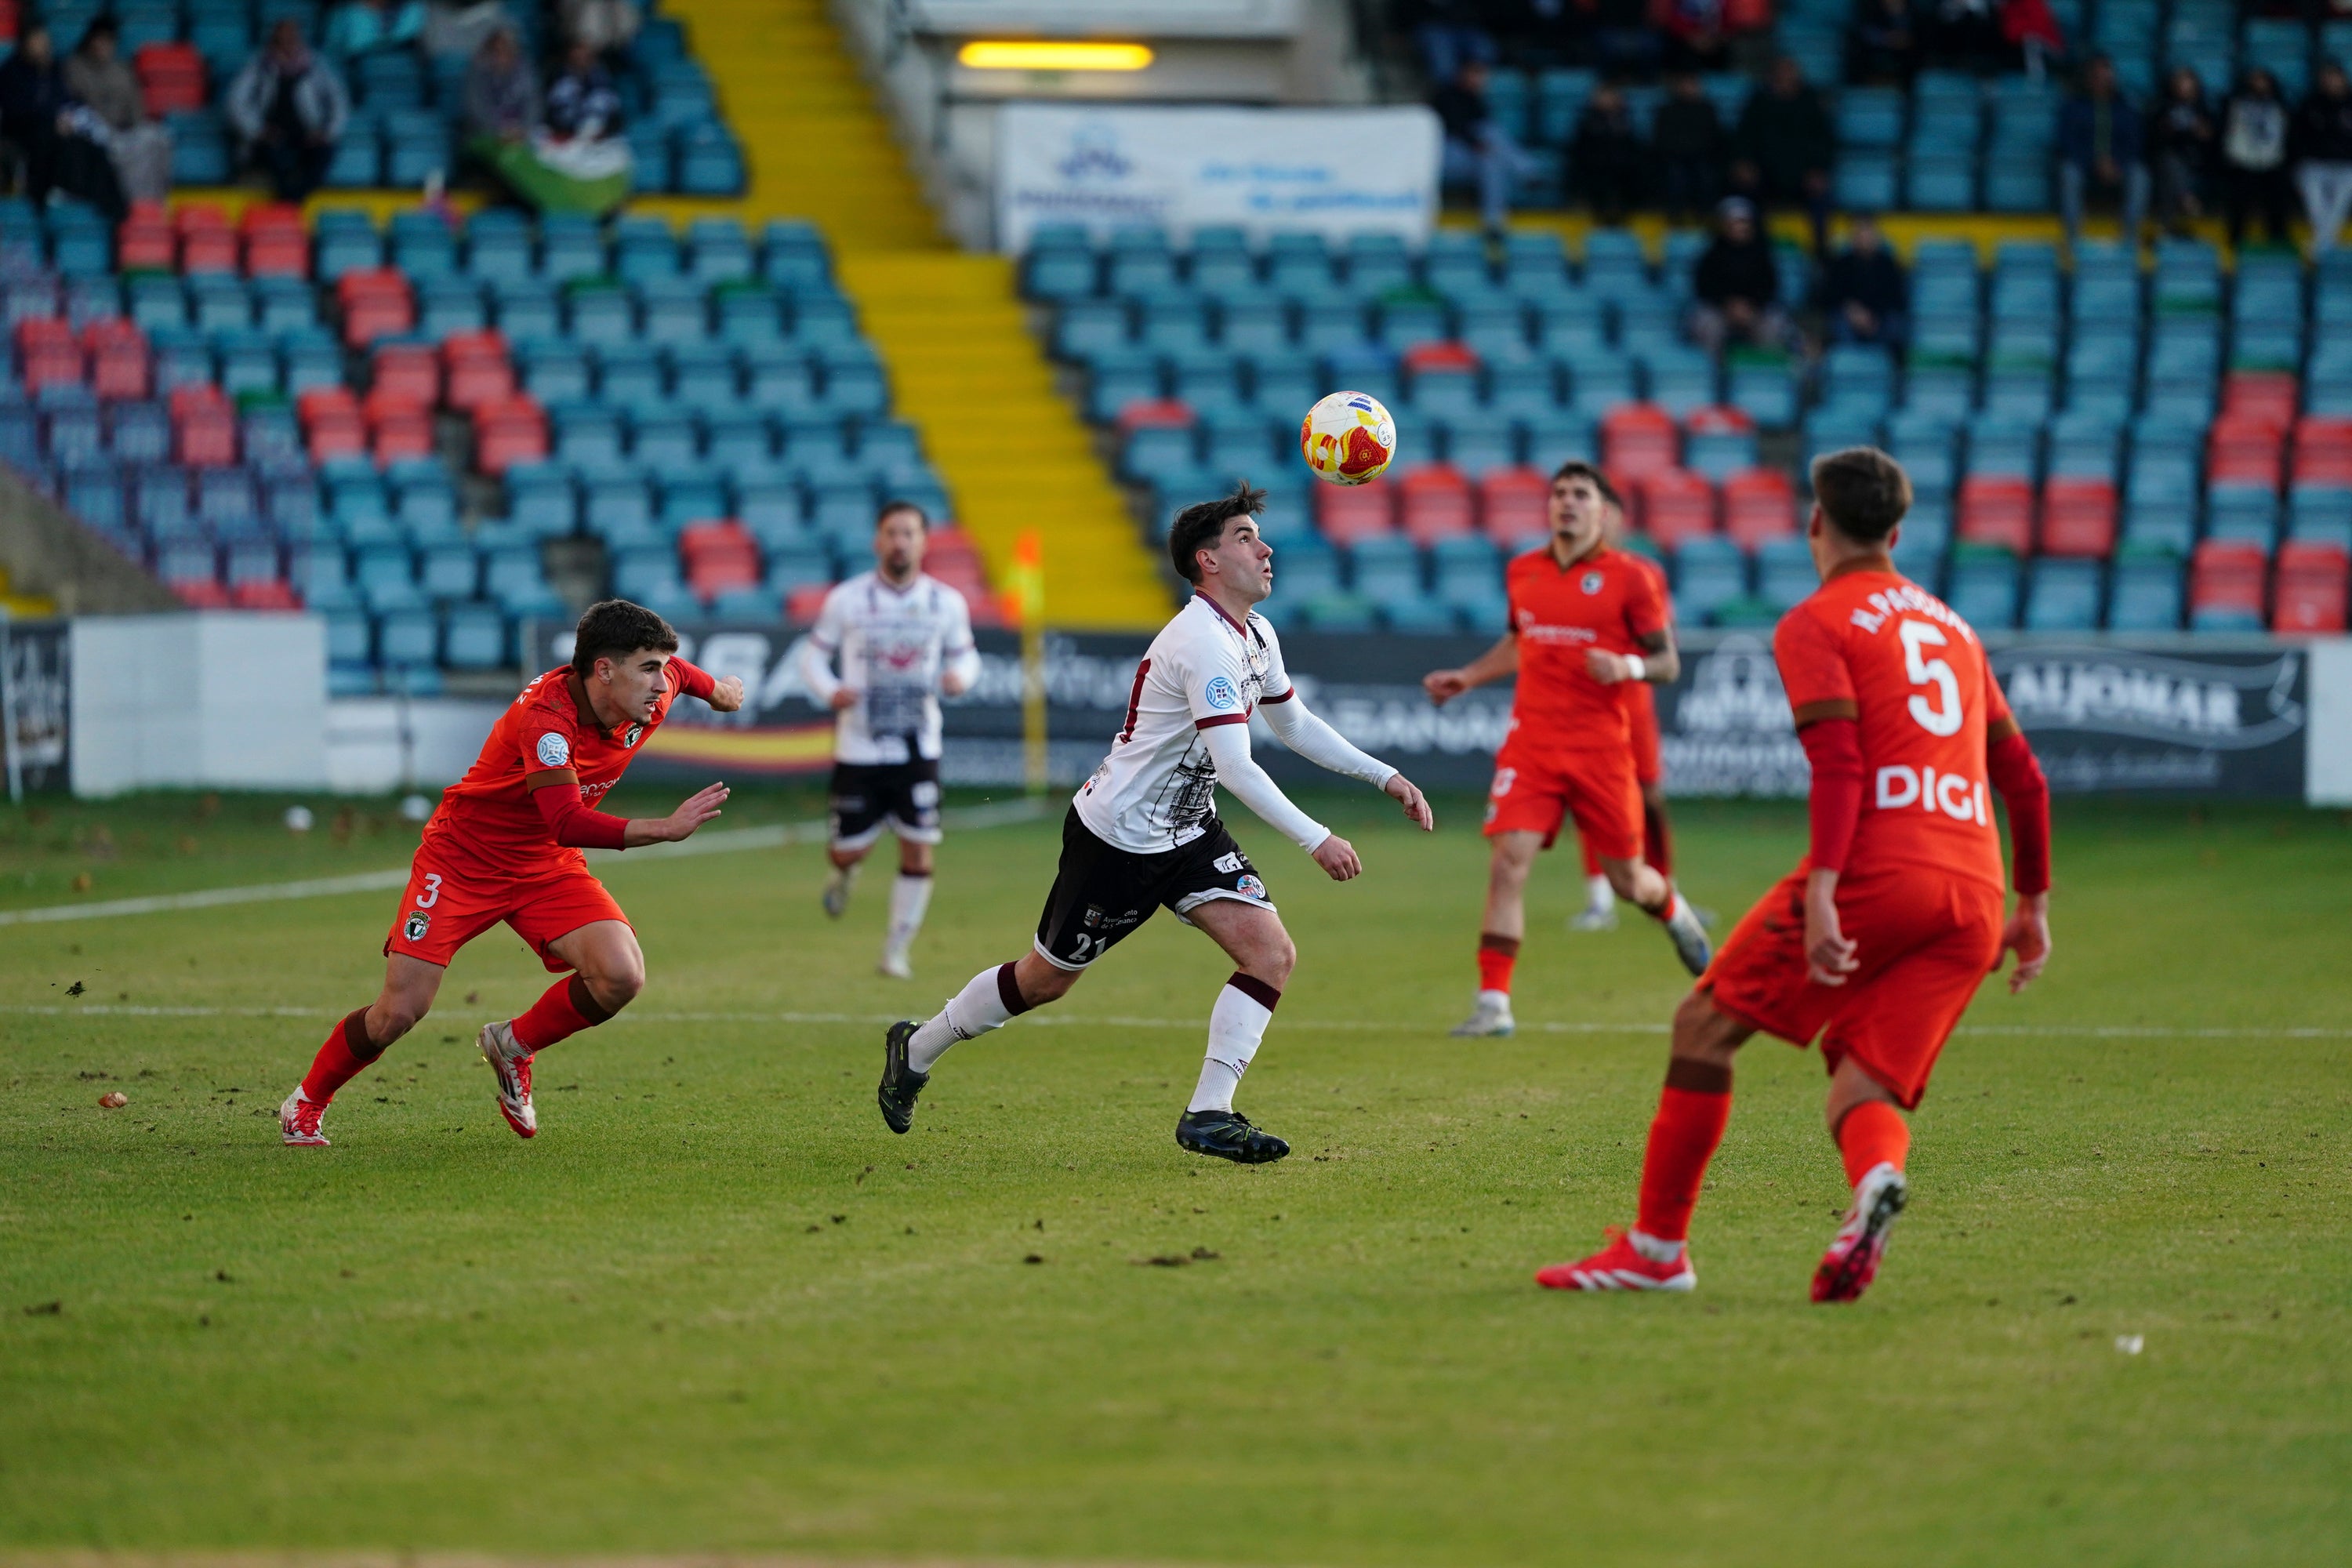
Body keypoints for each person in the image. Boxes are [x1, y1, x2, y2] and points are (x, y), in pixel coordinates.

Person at [1535, 446, 2053, 1301]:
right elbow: (2025, 780)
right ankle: (1874, 1182)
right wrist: (2032, 904)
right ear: (1896, 532)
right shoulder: (1954, 629)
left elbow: (1841, 765)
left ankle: (1656, 1250)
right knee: (1862, 1080)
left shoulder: (1818, 621)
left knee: (1703, 1027)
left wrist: (1822, 888)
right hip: (1976, 890)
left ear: (1816, 522)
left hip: (1880, 869)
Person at [876, 484, 1432, 1163]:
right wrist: (1315, 838)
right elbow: (1236, 766)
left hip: (1190, 830)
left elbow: (1295, 724)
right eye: (1247, 538)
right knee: (1046, 979)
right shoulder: (1201, 642)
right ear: (1208, 561)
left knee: (1271, 954)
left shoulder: (1256, 634)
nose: (1266, 550)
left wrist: (1384, 775)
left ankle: (1209, 1113)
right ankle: (918, 1047)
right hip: (1119, 838)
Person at [278, 600, 748, 1146]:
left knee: (621, 975)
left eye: (662, 668)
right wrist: (663, 828)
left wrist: (721, 692)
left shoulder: (652, 690)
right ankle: (306, 1102)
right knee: (398, 1013)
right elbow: (567, 821)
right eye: (648, 669)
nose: (661, 683)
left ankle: (513, 1044)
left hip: (544, 864)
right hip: (462, 861)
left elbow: (684, 673)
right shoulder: (548, 723)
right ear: (603, 670)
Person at [1422, 461, 1714, 1040]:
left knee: (1629, 882)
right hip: (1531, 746)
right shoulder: (1523, 570)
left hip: (1600, 751)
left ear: (1603, 512)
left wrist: (1627, 666)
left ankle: (1672, 909)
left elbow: (1667, 662)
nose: (1567, 502)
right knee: (1508, 863)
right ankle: (1494, 1005)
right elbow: (1521, 640)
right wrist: (1469, 676)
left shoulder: (1633, 577)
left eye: (1580, 494)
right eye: (1559, 493)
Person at [794, 501, 981, 980]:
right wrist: (831, 690)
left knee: (918, 847)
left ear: (923, 541)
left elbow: (967, 657)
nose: (900, 542)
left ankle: (896, 950)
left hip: (920, 746)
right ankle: (845, 870)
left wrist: (960, 677)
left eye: (909, 533)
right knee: (848, 850)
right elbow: (812, 658)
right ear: (878, 541)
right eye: (892, 533)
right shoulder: (847, 600)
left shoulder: (946, 602)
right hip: (859, 747)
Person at [1570, 502, 1681, 935]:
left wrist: (1630, 664)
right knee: (1588, 796)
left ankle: (1666, 888)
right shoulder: (1567, 573)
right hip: (1589, 703)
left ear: (1617, 520)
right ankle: (1599, 900)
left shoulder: (1644, 573)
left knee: (1650, 796)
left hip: (1633, 700)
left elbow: (1663, 641)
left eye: (1607, 514)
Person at [0, 23, 129, 222]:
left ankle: (110, 208)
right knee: (53, 141)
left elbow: (65, 99)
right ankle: (55, 195)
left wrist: (68, 116)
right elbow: (15, 111)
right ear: (25, 44)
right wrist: (52, 120)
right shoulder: (11, 72)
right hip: (24, 133)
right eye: (36, 42)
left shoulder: (53, 70)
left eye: (44, 43)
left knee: (91, 148)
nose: (42, 48)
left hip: (58, 128)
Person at [227, 20, 350, 205]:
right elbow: (235, 102)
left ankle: (290, 204)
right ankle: (290, 205)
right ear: (273, 42)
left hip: (308, 134)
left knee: (324, 153)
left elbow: (339, 102)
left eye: (291, 39)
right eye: (281, 40)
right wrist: (257, 130)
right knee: (275, 158)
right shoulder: (259, 66)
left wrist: (326, 132)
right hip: (270, 135)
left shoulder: (316, 66)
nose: (287, 44)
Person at [62, 18, 170, 205]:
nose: (102, 45)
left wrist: (130, 129)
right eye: (99, 39)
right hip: (91, 134)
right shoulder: (73, 68)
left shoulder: (122, 71)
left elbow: (137, 116)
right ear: (89, 41)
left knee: (158, 138)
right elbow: (71, 109)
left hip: (120, 134)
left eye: (108, 40)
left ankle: (151, 206)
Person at [1730, 56, 1834, 252]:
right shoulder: (1759, 101)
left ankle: (1821, 252)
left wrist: (1819, 169)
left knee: (1822, 196)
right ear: (1772, 76)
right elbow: (1744, 137)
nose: (1785, 77)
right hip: (1765, 174)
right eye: (1781, 73)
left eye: (1789, 72)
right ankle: (1756, 249)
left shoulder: (1810, 101)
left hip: (1803, 176)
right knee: (1745, 193)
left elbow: (1824, 140)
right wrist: (1744, 163)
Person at [1432, 59, 1534, 235]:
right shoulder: (1447, 95)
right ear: (1464, 75)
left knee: (1491, 161)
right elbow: (1455, 127)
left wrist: (1479, 145)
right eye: (1476, 75)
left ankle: (1493, 220)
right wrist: (1476, 144)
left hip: (1471, 155)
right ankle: (1525, 169)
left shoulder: (1476, 99)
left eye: (1482, 76)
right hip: (1447, 153)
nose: (1480, 80)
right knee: (1491, 134)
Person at [2056, 54, 2147, 249]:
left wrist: (2116, 163)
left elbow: (2134, 143)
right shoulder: (2073, 107)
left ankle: (2130, 236)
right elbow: (2067, 143)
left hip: (2118, 167)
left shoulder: (2126, 107)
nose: (2101, 81)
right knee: (2068, 173)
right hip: (2084, 165)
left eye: (2105, 76)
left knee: (2140, 175)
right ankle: (2072, 238)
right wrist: (2095, 162)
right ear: (2088, 79)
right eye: (2096, 76)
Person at [1687, 195, 1793, 354]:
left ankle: (1760, 368)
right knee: (1706, 323)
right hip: (1720, 311)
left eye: (1743, 222)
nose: (1739, 227)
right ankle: (1713, 367)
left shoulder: (1762, 255)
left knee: (1774, 323)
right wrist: (1727, 305)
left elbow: (1769, 287)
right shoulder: (1711, 256)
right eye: (1733, 223)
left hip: (1755, 311)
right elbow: (1704, 288)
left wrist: (1751, 307)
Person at [2220, 67, 2294, 249]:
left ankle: (2278, 243)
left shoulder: (2280, 107)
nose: (2259, 85)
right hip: (2242, 162)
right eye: (2255, 80)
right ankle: (2234, 245)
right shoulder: (2236, 105)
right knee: (2239, 200)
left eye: (2263, 81)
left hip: (2272, 163)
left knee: (2277, 201)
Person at [1818, 212, 1910, 350]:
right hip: (1849, 319)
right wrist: (1851, 310)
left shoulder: (1889, 265)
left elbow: (1897, 299)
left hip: (1880, 319)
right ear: (1853, 237)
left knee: (1896, 324)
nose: (1864, 238)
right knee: (1836, 323)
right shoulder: (1841, 264)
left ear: (1877, 237)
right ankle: (1846, 359)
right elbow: (1829, 296)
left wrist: (1874, 317)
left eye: (1868, 233)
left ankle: (1887, 361)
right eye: (1860, 233)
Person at [2148, 66, 2216, 237]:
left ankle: (2166, 226)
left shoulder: (2204, 109)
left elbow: (2212, 139)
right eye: (2180, 83)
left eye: (2187, 83)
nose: (2184, 88)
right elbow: (2156, 140)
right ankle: (2185, 198)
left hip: (2199, 161)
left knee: (2171, 173)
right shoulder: (2163, 107)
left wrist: (2202, 134)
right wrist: (2172, 131)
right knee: (2170, 164)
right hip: (2170, 159)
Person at [1568, 81, 1648, 225]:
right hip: (1595, 166)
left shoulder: (1626, 121)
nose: (1608, 100)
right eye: (1604, 97)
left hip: (1623, 167)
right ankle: (1600, 212)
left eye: (1611, 96)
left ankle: (1624, 212)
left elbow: (1633, 148)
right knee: (1597, 176)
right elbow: (1580, 150)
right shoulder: (1587, 122)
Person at [1653, 71, 1728, 223]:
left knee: (1706, 174)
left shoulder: (1707, 109)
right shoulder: (1667, 110)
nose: (1688, 88)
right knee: (1675, 175)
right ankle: (1675, 217)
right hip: (1674, 157)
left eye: (1692, 84)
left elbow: (1715, 138)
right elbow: (1661, 139)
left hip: (1702, 156)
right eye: (1684, 84)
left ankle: (1705, 215)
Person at [2296, 60, 2352, 256]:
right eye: (2327, 78)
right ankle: (2326, 243)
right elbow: (2298, 136)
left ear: (2343, 79)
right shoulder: (2311, 103)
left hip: (2347, 165)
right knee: (2316, 204)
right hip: (2315, 164)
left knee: (2339, 203)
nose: (2331, 82)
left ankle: (2320, 244)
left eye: (2335, 78)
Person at [463, 24, 539, 145]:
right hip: (487, 132)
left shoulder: (524, 71)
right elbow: (476, 110)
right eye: (496, 51)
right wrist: (499, 131)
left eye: (506, 51)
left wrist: (523, 128)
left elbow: (533, 104)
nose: (501, 57)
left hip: (520, 132)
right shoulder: (478, 71)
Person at [545, 39, 622, 143]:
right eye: (577, 57)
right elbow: (552, 113)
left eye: (586, 56)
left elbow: (615, 113)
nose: (581, 60)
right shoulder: (559, 80)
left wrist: (605, 131)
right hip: (567, 138)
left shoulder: (605, 79)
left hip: (601, 139)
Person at [321, 0, 426, 62]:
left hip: (403, 82)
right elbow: (331, 60)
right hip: (357, 85)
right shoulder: (343, 16)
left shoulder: (416, 11)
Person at [1847, 0, 1922, 86]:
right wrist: (1886, 39)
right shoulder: (1868, 12)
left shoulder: (1918, 14)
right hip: (1873, 65)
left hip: (1909, 69)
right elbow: (1863, 33)